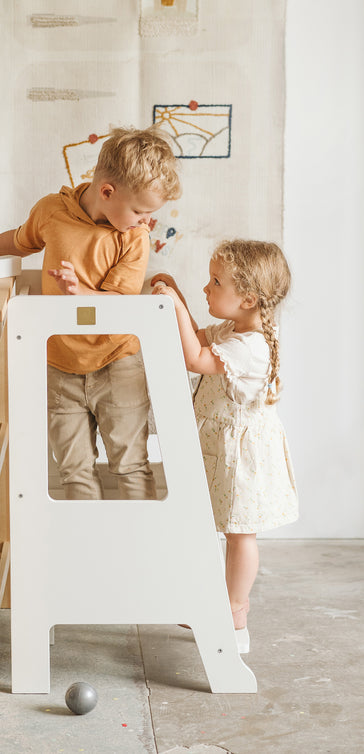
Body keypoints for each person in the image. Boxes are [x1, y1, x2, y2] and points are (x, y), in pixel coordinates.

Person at [0, 126, 181, 500]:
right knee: (74, 471)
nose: (145, 221)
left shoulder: (133, 237)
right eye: (139, 210)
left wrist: (81, 293)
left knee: (131, 465)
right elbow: (20, 241)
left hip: (117, 363)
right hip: (60, 366)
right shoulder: (53, 211)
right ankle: (84, 550)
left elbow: (122, 307)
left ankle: (141, 551)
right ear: (106, 192)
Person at [152, 240, 298, 653]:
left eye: (216, 282)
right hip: (223, 449)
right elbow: (197, 338)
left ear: (248, 298)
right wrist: (178, 297)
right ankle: (212, 598)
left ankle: (235, 610)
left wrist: (176, 308)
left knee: (239, 532)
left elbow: (195, 358)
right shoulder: (232, 330)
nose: (207, 288)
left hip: (242, 455)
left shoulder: (250, 347)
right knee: (215, 526)